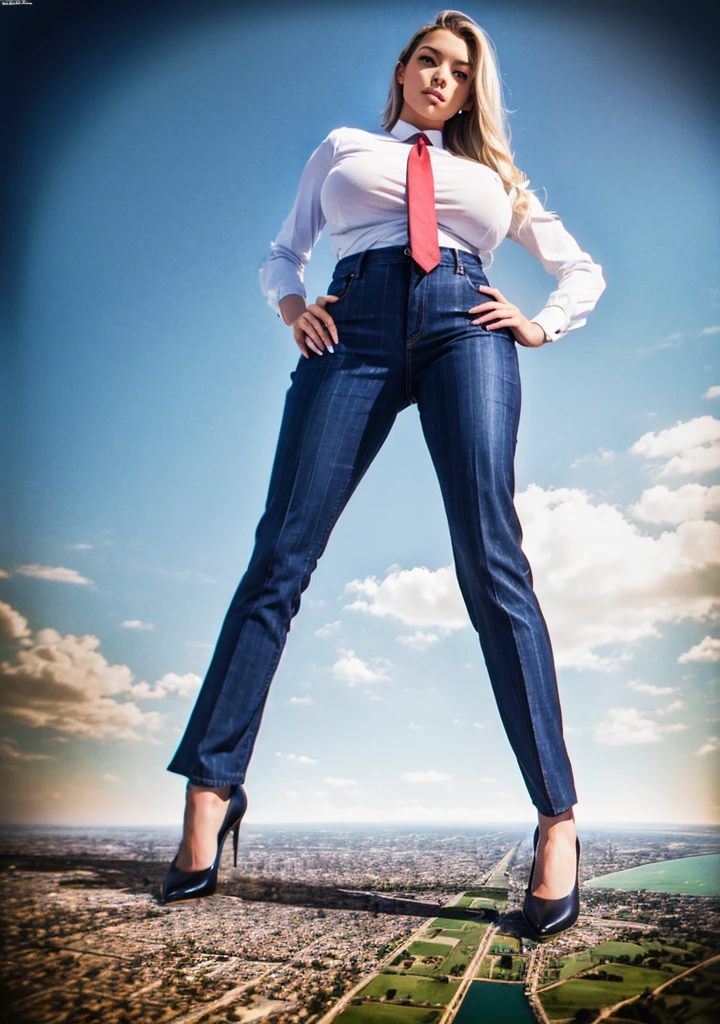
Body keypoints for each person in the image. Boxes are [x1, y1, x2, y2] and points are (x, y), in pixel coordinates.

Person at [161, 9, 605, 936]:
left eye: (460, 70)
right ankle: (212, 791)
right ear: (403, 70)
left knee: (492, 559)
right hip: (351, 330)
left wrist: (543, 321)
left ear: (470, 90)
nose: (442, 77)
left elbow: (581, 270)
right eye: (428, 60)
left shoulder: (495, 178)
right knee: (280, 555)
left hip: (463, 326)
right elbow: (284, 251)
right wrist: (293, 309)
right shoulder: (345, 148)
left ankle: (557, 820)